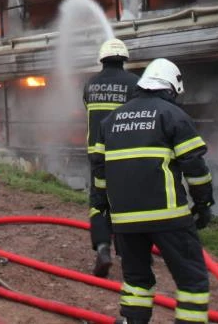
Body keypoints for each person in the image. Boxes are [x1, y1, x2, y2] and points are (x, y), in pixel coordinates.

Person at [90, 58, 214, 324]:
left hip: (125, 221)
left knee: (136, 282)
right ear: (170, 88)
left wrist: (103, 209)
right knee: (192, 280)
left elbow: (99, 172)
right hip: (168, 217)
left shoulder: (110, 121)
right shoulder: (173, 115)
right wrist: (203, 203)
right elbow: (194, 165)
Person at [83, 37, 140, 278]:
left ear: (102, 59)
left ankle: (104, 247)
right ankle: (129, 253)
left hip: (97, 154)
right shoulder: (136, 84)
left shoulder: (90, 85)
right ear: (124, 59)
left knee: (99, 202)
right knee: (127, 201)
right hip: (126, 154)